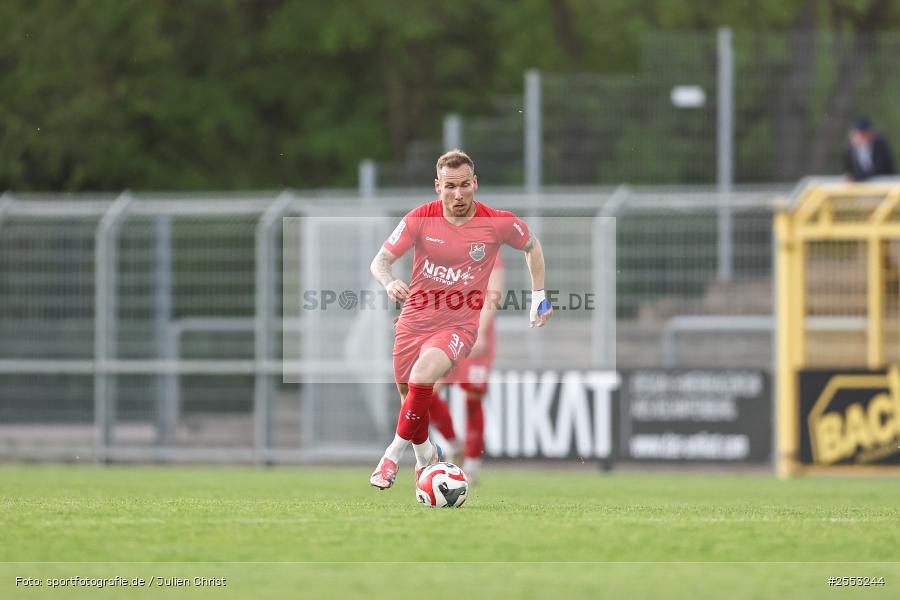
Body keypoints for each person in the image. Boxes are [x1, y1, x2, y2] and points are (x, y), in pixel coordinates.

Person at [368, 150, 552, 489]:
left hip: (459, 325)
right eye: (450, 187)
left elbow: (532, 245)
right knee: (410, 393)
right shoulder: (420, 219)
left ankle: (391, 456)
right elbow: (380, 261)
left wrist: (538, 295)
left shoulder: (495, 223)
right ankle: (426, 455)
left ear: (475, 184)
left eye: (465, 185)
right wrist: (389, 280)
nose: (458, 194)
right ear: (438, 186)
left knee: (424, 377)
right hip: (414, 320)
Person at [427, 253, 504, 486]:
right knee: (426, 391)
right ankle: (453, 445)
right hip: (446, 332)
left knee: (472, 398)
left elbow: (494, 291)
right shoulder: (441, 247)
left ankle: (471, 467)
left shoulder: (488, 250)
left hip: (476, 332)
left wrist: (480, 332)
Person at [844, 117, 896, 181]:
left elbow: (885, 167)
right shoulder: (850, 148)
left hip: (882, 182)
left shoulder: (880, 144)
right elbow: (849, 169)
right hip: (860, 186)